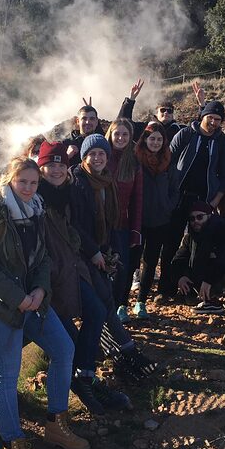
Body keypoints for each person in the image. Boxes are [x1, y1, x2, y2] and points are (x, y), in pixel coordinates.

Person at [0, 156, 88, 449]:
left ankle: (55, 424)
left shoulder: (35, 210)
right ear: (9, 179)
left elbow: (43, 258)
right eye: (22, 181)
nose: (28, 187)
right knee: (7, 377)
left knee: (64, 349)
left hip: (31, 301)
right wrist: (18, 297)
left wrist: (39, 289)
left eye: (33, 182)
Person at [36, 141, 130, 414]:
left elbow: (71, 230)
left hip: (70, 267)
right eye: (49, 165)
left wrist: (86, 251)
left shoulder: (66, 193)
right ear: (41, 168)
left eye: (60, 165)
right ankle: (80, 385)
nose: (55, 170)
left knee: (97, 312)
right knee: (70, 335)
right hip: (48, 278)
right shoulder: (35, 196)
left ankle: (85, 377)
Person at [70, 134, 157, 379]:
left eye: (101, 154)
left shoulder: (106, 180)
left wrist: (109, 251)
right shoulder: (78, 182)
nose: (97, 158)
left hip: (100, 251)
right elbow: (75, 223)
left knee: (105, 302)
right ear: (84, 157)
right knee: (101, 306)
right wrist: (94, 251)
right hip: (81, 255)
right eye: (92, 154)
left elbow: (111, 220)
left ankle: (122, 351)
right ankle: (104, 362)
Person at [156, 100, 225, 303]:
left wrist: (214, 202)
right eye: (211, 118)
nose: (214, 122)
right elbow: (168, 160)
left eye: (218, 119)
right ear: (203, 116)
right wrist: (167, 192)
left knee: (200, 246)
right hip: (179, 196)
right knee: (171, 243)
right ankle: (166, 288)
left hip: (203, 201)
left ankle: (193, 288)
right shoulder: (186, 134)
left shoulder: (222, 142)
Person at [172, 202, 225, 326]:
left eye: (199, 217)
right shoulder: (191, 238)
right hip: (218, 276)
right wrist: (181, 276)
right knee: (195, 263)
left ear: (209, 216)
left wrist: (208, 280)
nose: (195, 221)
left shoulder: (224, 231)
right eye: (192, 218)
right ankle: (211, 301)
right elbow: (178, 259)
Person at [131, 122, 180, 319]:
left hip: (160, 220)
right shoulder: (136, 160)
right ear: (145, 139)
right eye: (152, 138)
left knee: (151, 261)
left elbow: (175, 189)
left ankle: (141, 301)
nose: (156, 142)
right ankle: (121, 303)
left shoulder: (168, 161)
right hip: (137, 219)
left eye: (159, 139)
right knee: (132, 260)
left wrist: (168, 206)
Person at [104, 118, 143, 323]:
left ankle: (117, 308)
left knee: (122, 270)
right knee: (101, 272)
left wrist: (136, 230)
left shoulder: (134, 163)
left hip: (122, 226)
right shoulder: (101, 157)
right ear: (110, 134)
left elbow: (137, 199)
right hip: (100, 226)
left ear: (130, 138)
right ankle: (103, 314)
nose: (120, 138)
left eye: (125, 135)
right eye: (117, 133)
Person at [117, 79, 206, 144]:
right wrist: (130, 100)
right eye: (163, 110)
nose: (166, 112)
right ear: (156, 113)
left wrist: (202, 105)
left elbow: (199, 129)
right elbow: (123, 124)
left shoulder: (179, 131)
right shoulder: (144, 128)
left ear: (173, 115)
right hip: (144, 168)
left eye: (169, 111)